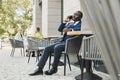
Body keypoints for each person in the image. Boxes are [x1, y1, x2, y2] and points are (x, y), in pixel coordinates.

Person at [29, 11, 83, 76]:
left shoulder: (79, 24)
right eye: (74, 14)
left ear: (80, 17)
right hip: (63, 42)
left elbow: (72, 31)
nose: (74, 16)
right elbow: (60, 29)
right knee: (47, 48)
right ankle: (39, 69)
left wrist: (67, 29)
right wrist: (65, 21)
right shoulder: (70, 23)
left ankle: (54, 68)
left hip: (71, 43)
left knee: (57, 47)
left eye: (76, 15)